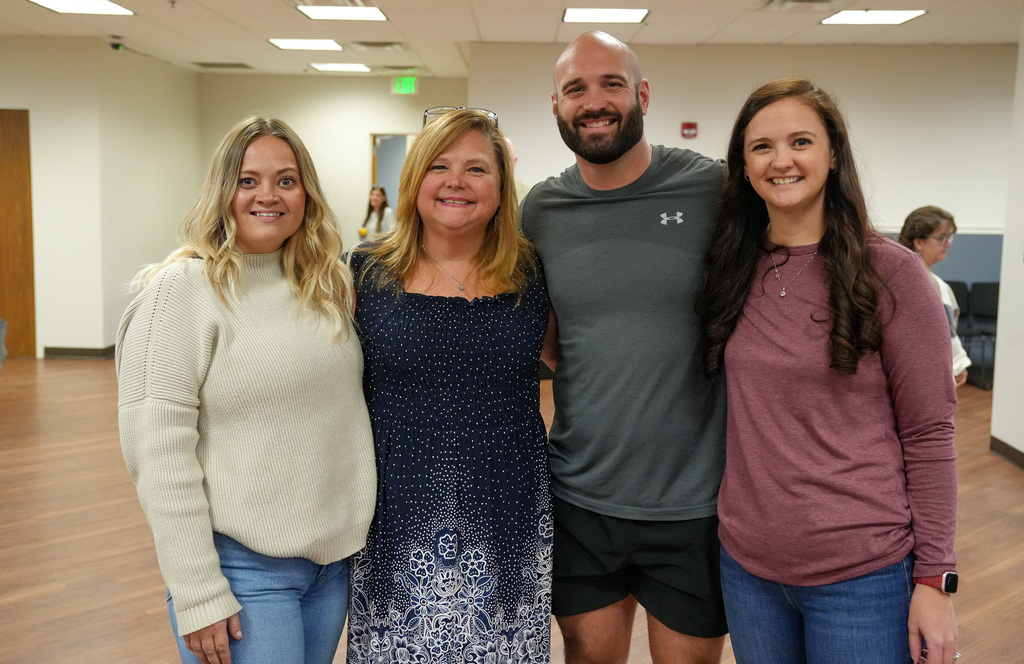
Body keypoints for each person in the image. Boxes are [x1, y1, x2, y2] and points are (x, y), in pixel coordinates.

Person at [697, 78, 959, 664]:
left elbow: (929, 433)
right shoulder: (731, 266)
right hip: (748, 568)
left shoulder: (892, 273)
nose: (781, 160)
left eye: (800, 142)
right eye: (761, 147)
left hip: (863, 576)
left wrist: (936, 578)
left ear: (833, 153)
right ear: (742, 164)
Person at [116, 115, 377, 664]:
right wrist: (197, 592)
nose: (269, 196)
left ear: (306, 193)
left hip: (329, 569)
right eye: (248, 180)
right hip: (241, 572)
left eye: (286, 180)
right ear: (222, 191)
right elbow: (157, 454)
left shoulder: (326, 285)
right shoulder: (182, 292)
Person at [520, 31, 728, 664]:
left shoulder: (712, 190)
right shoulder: (541, 210)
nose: (594, 101)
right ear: (555, 106)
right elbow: (549, 337)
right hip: (582, 496)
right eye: (575, 89)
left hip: (696, 502)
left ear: (641, 94)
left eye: (611, 83)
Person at [345, 108, 554, 663]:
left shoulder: (533, 272)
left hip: (507, 506)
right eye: (439, 165)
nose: (456, 181)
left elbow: (578, 359)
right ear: (414, 180)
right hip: (397, 509)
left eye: (477, 169)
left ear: (503, 186)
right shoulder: (362, 272)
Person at [899, 205, 972, 387]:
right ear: (919, 242)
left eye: (949, 237)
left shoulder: (896, 277)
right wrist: (958, 365)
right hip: (925, 378)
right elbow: (945, 334)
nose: (948, 243)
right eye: (942, 238)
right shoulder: (926, 284)